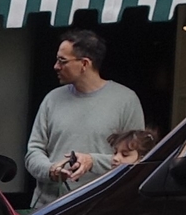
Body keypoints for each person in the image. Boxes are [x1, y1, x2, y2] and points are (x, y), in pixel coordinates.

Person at [25, 30, 146, 205]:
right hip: (48, 210)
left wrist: (92, 161)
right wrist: (50, 170)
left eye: (62, 61)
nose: (56, 66)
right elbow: (33, 152)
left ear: (84, 64)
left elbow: (137, 160)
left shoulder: (126, 100)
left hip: (100, 209)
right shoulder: (51, 99)